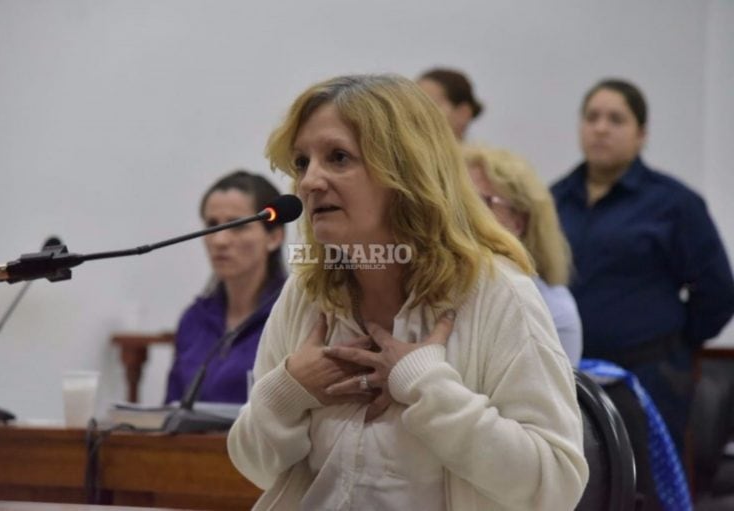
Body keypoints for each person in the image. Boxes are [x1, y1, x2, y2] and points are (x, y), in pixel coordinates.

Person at [228, 74, 587, 510]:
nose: (309, 182)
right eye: (303, 163)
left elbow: (555, 487)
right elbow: (256, 469)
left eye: (338, 157)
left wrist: (425, 386)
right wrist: (287, 392)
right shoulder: (306, 295)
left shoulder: (498, 294)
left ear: (406, 171)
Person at [552, 78, 734, 456]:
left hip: (648, 375)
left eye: (616, 119)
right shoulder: (554, 198)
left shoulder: (674, 204)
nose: (601, 127)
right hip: (566, 375)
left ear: (641, 134)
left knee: (644, 488)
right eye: (592, 117)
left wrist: (674, 342)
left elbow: (717, 291)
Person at [164, 170, 286, 404]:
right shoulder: (193, 319)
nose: (219, 240)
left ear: (274, 237)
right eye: (211, 225)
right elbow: (169, 410)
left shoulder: (292, 316)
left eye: (237, 225)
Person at [464, 145, 583, 366]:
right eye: (462, 200)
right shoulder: (437, 292)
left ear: (519, 222)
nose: (465, 214)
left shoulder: (554, 311)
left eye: (483, 202)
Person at [417, 67, 483, 141]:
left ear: (463, 113)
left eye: (429, 106)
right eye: (412, 104)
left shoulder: (481, 152)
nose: (415, 113)